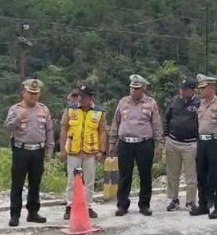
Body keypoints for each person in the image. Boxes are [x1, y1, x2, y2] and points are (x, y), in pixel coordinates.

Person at [108, 75, 164, 217]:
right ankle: (122, 205)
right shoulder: (122, 102)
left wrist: (159, 145)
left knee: (145, 175)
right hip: (125, 143)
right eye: (132, 88)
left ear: (143, 89)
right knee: (124, 175)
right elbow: (116, 122)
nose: (133, 91)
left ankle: (144, 205)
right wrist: (112, 143)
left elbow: (156, 125)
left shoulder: (151, 103)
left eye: (137, 88)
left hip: (144, 143)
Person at [4, 79, 54, 227]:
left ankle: (33, 213)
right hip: (21, 150)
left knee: (35, 183)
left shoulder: (43, 109)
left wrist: (49, 150)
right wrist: (18, 119)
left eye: (36, 94)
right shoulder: (15, 109)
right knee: (17, 184)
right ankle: (15, 215)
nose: (33, 96)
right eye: (31, 93)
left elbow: (49, 131)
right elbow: (7, 127)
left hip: (38, 150)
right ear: (24, 93)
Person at [59, 83, 108, 220]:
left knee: (89, 181)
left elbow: (102, 132)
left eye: (84, 97)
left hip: (91, 152)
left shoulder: (99, 112)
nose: (81, 99)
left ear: (91, 97)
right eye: (80, 96)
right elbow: (64, 129)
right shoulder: (70, 110)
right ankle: (69, 206)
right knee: (72, 180)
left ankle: (88, 207)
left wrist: (102, 151)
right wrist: (62, 149)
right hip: (73, 150)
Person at [190, 74, 217, 219]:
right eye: (200, 88)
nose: (201, 90)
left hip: (216, 143)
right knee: (201, 175)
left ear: (211, 87)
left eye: (203, 88)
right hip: (202, 142)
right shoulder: (200, 104)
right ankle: (203, 205)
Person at [164, 79, 200, 212]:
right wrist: (166, 134)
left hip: (191, 143)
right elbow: (166, 118)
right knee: (173, 174)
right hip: (173, 142)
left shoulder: (198, 102)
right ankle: (174, 200)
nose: (182, 91)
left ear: (192, 90)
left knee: (191, 175)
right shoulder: (174, 101)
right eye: (181, 89)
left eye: (185, 89)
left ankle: (190, 201)